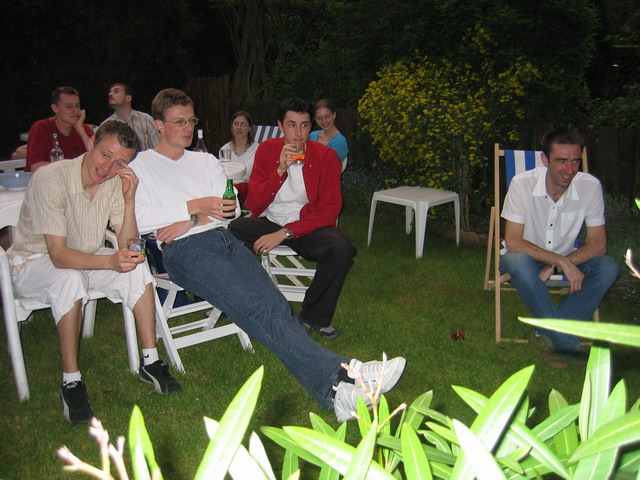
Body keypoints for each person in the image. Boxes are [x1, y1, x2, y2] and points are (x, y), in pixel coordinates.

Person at [130, 88, 405, 422]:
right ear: (158, 125)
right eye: (178, 122)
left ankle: (336, 396)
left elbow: (230, 210)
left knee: (276, 307)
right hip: (185, 251)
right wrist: (197, 206)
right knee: (259, 309)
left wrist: (190, 219)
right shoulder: (141, 166)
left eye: (191, 120)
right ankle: (350, 372)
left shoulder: (205, 161)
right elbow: (139, 220)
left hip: (224, 239)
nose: (187, 128)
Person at [8, 121, 181, 425]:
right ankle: (71, 381)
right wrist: (110, 262)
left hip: (85, 256)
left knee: (136, 267)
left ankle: (150, 361)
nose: (108, 167)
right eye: (105, 155)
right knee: (69, 277)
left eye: (120, 163)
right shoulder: (52, 178)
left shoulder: (114, 182)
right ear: (91, 143)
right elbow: (58, 256)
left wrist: (129, 200)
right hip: (33, 263)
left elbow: (128, 244)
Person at [229, 98, 355, 339]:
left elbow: (329, 210)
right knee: (230, 231)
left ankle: (314, 316)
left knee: (340, 248)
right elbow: (253, 204)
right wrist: (280, 170)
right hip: (269, 219)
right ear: (280, 125)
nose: (298, 133)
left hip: (305, 223)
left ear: (311, 126)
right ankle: (240, 300)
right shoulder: (267, 151)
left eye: (304, 125)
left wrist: (284, 233)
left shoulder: (326, 157)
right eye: (291, 125)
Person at [500, 127, 619, 368]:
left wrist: (559, 264)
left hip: (567, 258)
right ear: (545, 159)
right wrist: (560, 262)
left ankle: (545, 331)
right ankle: (566, 343)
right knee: (515, 260)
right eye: (561, 161)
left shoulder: (589, 186)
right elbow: (513, 241)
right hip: (526, 258)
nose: (569, 170)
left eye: (575, 161)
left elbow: (598, 244)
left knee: (608, 267)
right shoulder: (522, 184)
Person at [26, 86, 94, 172]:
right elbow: (36, 166)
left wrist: (80, 129)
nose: (75, 111)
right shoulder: (41, 128)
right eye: (69, 107)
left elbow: (97, 158)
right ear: (55, 108)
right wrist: (73, 167)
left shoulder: (84, 129)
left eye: (77, 106)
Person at [101, 83, 160, 151]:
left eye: (116, 91)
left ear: (128, 98)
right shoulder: (106, 125)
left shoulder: (146, 119)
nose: (110, 94)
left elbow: (158, 148)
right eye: (110, 92)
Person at [219, 111, 259, 206]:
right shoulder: (224, 150)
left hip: (249, 191)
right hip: (227, 191)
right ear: (232, 127)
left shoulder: (257, 149)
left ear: (249, 128)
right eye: (236, 124)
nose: (239, 127)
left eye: (243, 124)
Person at [309, 98, 349, 166]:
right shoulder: (312, 136)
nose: (324, 121)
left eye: (327, 116)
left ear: (334, 115)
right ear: (315, 119)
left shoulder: (340, 142)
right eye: (319, 118)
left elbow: (327, 166)